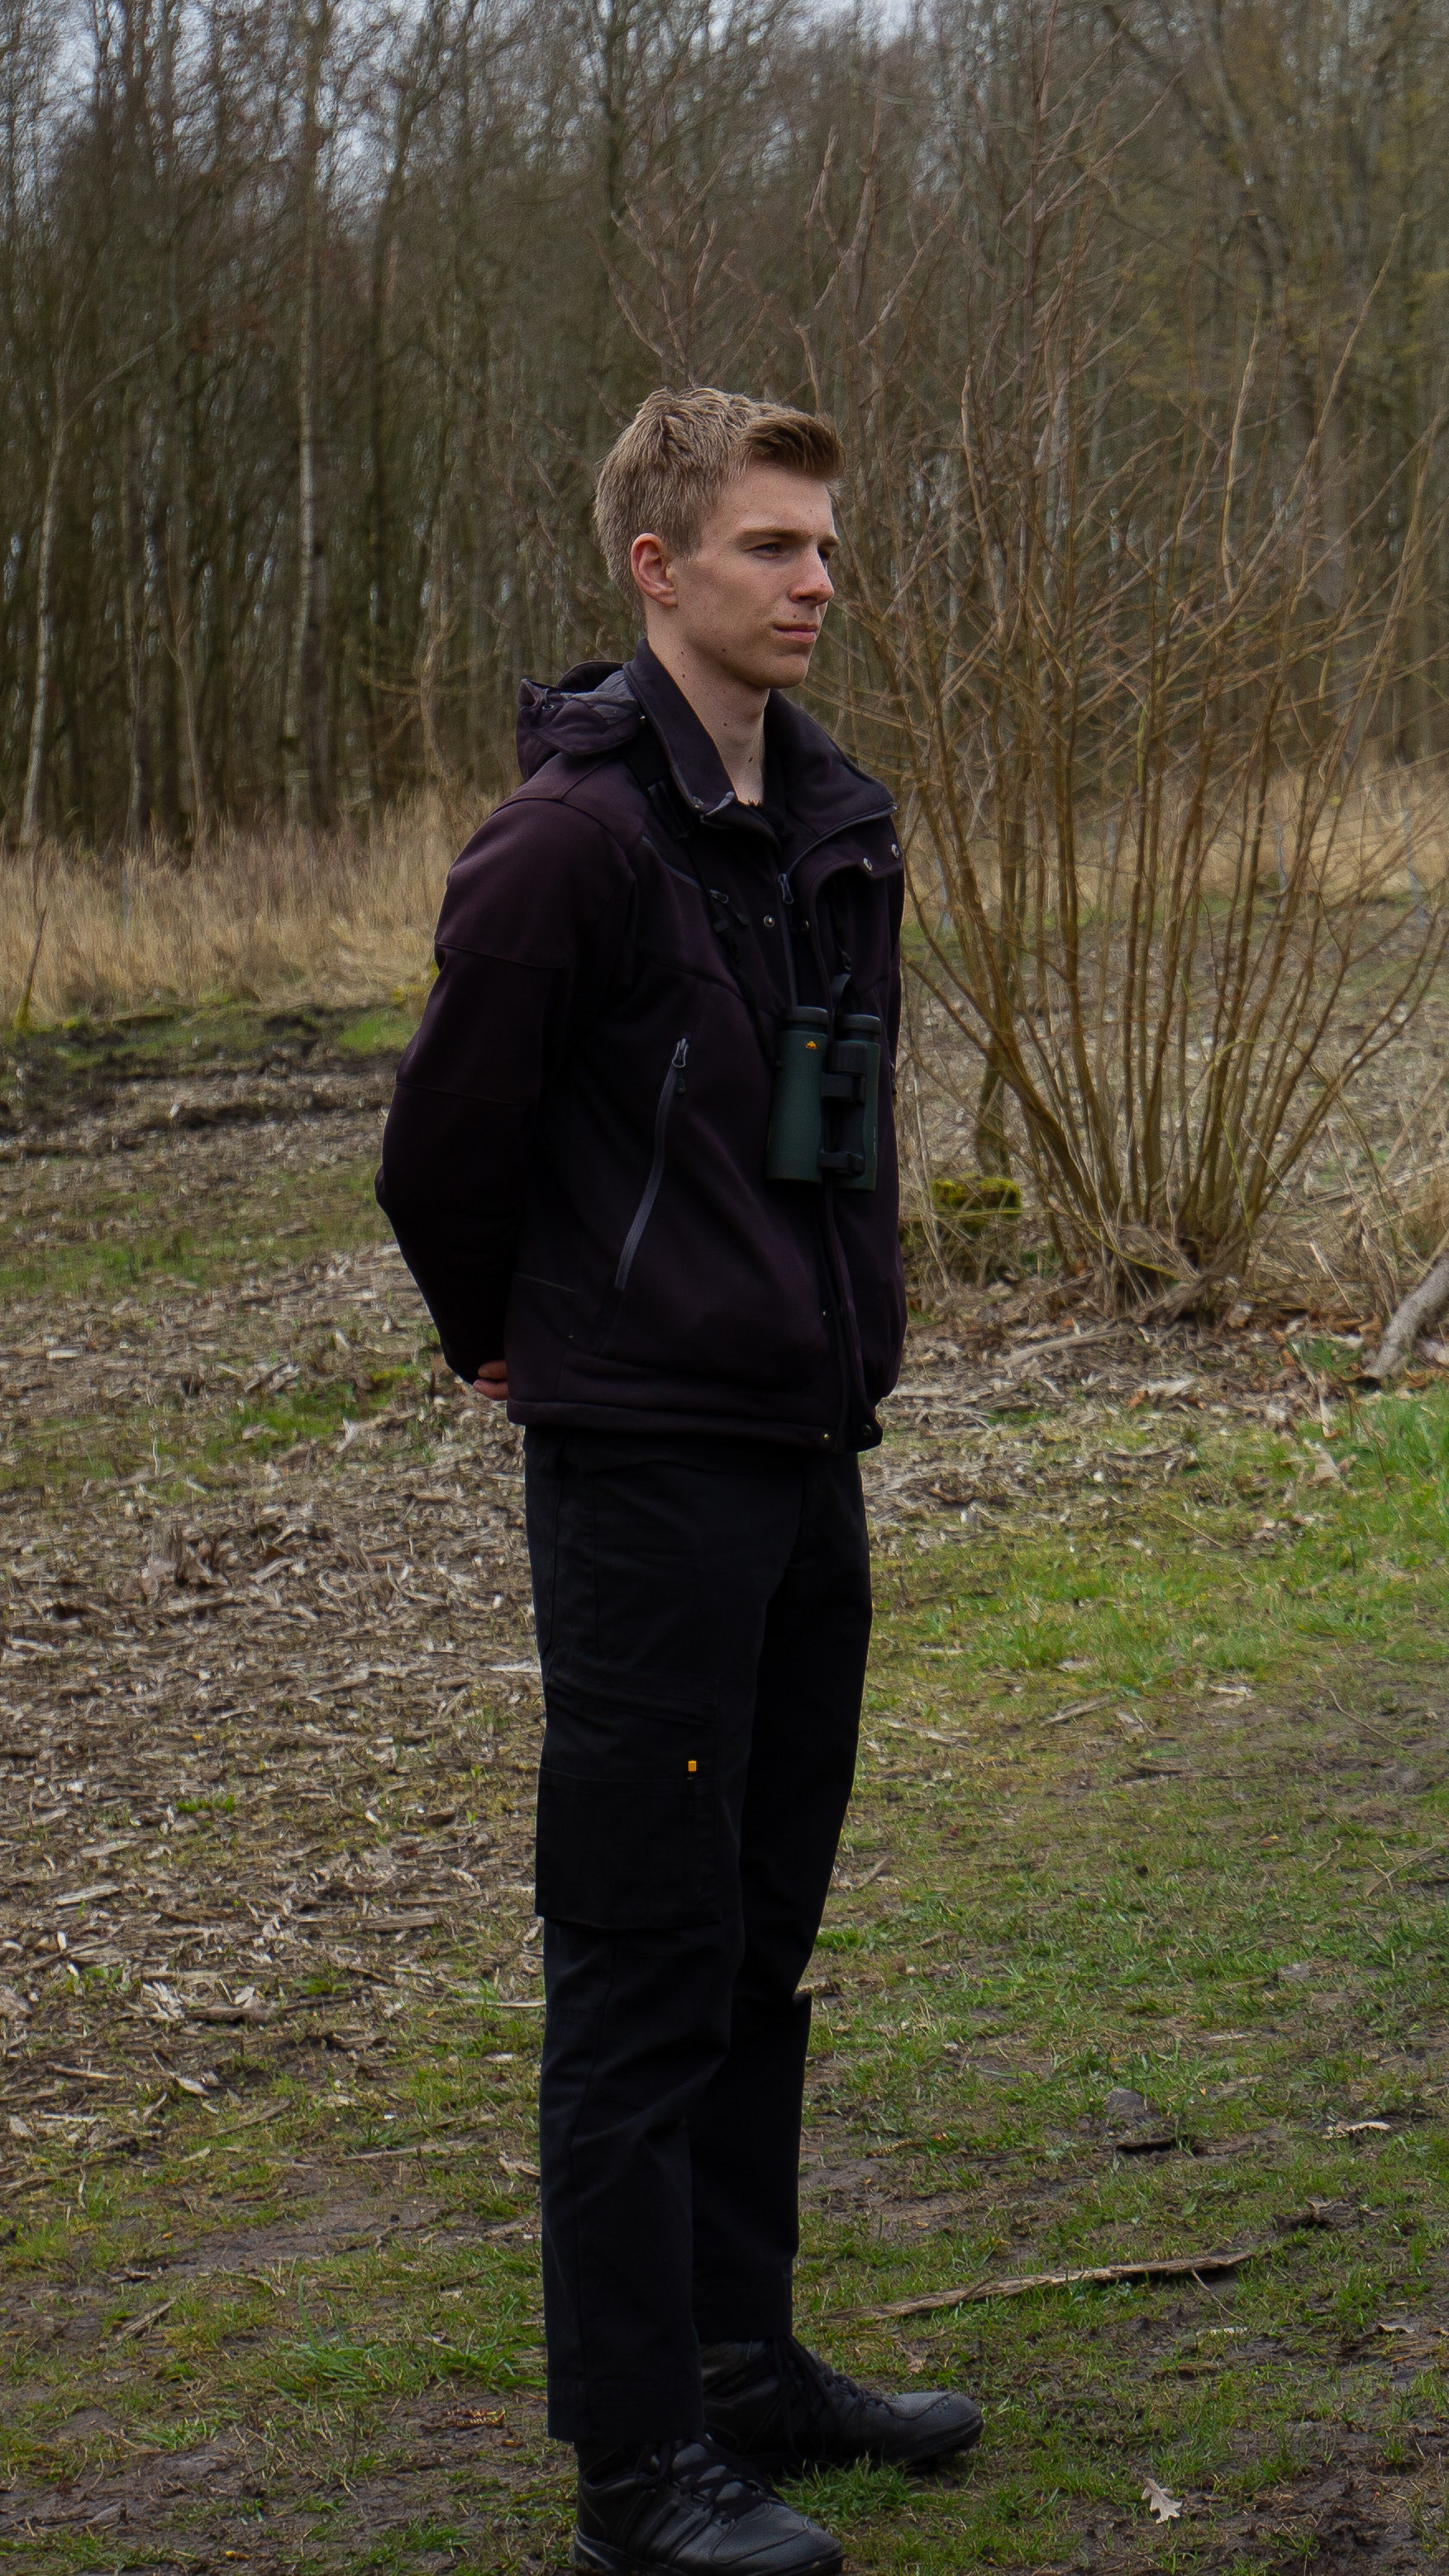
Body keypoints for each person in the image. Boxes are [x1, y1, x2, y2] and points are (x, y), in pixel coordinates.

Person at [377, 388, 971, 2576]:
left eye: (823, 542)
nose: (815, 575)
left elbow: (834, 1127)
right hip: (643, 1471)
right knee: (640, 1950)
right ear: (659, 567)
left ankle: (745, 2362)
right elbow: (442, 1139)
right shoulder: (567, 843)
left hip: (806, 1450)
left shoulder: (833, 815)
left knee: (756, 1941)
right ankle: (640, 2465)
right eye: (769, 545)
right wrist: (511, 1332)